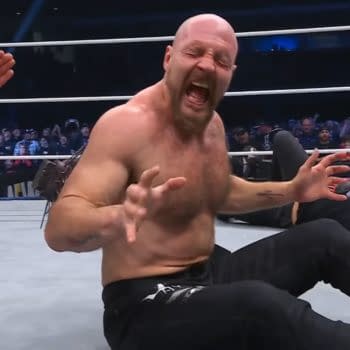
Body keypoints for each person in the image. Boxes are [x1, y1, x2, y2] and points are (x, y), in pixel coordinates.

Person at [45, 14, 350, 350]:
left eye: (220, 59)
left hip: (209, 274)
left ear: (230, 74)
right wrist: (116, 217)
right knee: (260, 308)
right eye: (194, 52)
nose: (206, 65)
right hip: (143, 304)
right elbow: (59, 228)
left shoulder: (212, 125)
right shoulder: (125, 126)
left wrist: (292, 190)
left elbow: (221, 191)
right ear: (168, 58)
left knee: (326, 236)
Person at [220, 130, 350, 229]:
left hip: (298, 209)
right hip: (315, 186)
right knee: (281, 136)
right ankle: (277, 185)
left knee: (224, 200)